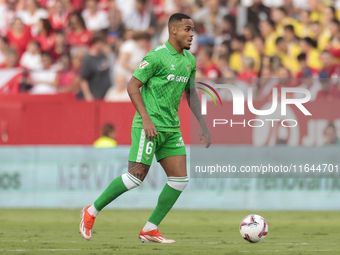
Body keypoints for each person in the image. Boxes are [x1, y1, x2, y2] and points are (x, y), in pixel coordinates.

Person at [79, 13, 211, 243]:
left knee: (180, 180)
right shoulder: (156, 56)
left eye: (193, 30)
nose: (192, 34)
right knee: (135, 178)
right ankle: (91, 211)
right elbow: (133, 85)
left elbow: (191, 93)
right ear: (174, 31)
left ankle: (150, 229)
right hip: (148, 126)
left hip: (171, 129)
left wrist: (202, 123)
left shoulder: (190, 60)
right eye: (188, 29)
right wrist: (146, 118)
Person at [78, 36, 111, 101]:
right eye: (100, 44)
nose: (102, 46)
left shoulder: (103, 56)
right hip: (95, 95)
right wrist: (87, 95)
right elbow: (84, 79)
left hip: (106, 95)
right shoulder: (88, 59)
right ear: (95, 44)